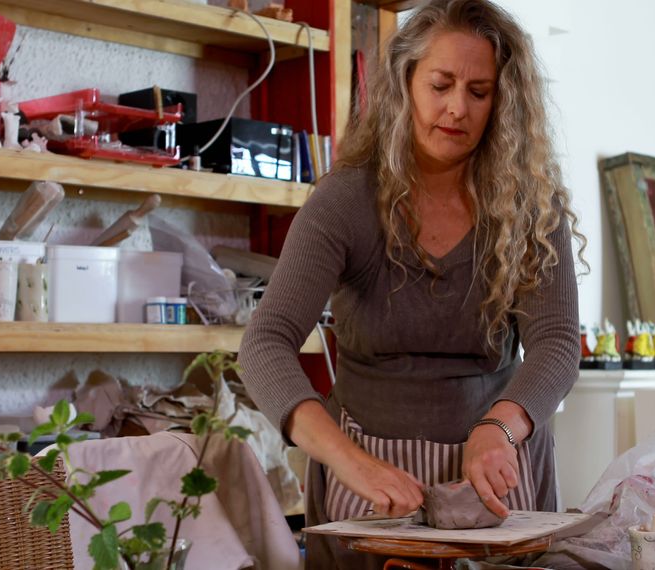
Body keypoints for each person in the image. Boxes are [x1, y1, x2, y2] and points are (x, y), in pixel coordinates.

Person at [239, 0, 586, 566]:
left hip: (498, 472)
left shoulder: (530, 209)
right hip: (370, 480)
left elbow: (556, 345)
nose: (457, 109)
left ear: (504, 101)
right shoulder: (345, 201)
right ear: (404, 83)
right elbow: (265, 343)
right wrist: (347, 460)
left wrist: (499, 427)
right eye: (441, 84)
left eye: (479, 91)